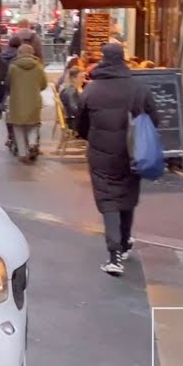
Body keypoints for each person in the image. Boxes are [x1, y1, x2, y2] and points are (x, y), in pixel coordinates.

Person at [76, 43, 157, 276]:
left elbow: (80, 123)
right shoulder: (138, 87)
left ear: (103, 59)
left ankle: (114, 255)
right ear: (123, 59)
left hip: (101, 153)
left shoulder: (92, 89)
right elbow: (155, 118)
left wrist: (92, 136)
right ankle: (125, 241)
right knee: (127, 197)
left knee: (109, 200)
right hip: (132, 152)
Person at [5, 44, 46, 163]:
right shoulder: (38, 66)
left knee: (18, 127)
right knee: (33, 125)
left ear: (19, 53)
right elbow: (44, 85)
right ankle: (32, 144)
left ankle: (22, 153)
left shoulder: (13, 67)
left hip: (16, 101)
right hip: (34, 100)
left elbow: (8, 83)